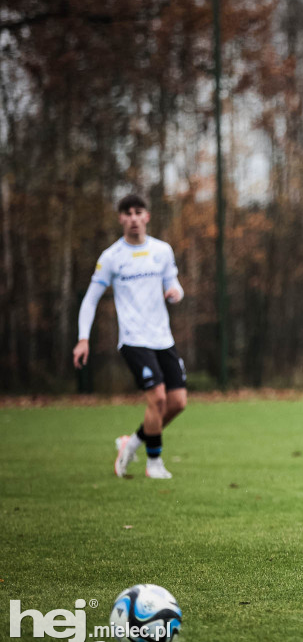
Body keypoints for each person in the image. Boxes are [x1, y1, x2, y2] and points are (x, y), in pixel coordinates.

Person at [73, 194, 185, 480]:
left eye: (138, 212)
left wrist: (175, 293)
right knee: (157, 398)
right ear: (121, 218)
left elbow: (174, 285)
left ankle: (132, 442)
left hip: (163, 338)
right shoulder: (111, 257)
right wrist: (83, 338)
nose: (133, 218)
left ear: (146, 216)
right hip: (134, 340)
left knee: (177, 403)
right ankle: (154, 463)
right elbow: (90, 299)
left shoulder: (162, 250)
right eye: (128, 213)